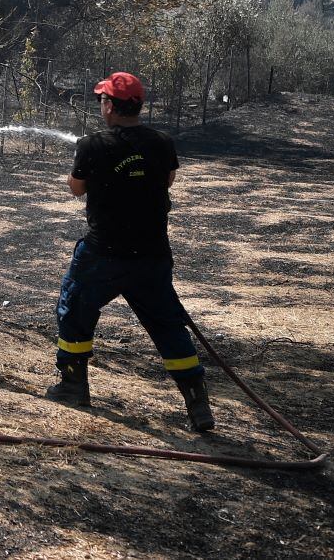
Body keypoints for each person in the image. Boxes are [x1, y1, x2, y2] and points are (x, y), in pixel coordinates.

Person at [45, 72, 215, 432]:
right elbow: (167, 180)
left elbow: (76, 189)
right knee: (167, 325)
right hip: (151, 255)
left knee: (74, 309)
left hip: (102, 254)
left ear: (109, 105)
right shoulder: (161, 142)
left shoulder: (92, 145)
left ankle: (74, 387)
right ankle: (198, 404)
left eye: (101, 101)